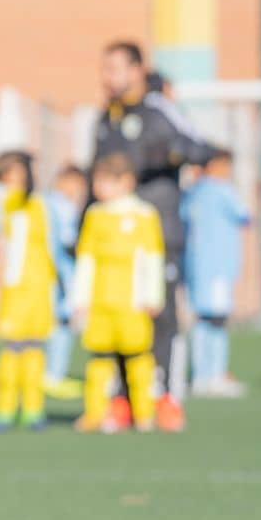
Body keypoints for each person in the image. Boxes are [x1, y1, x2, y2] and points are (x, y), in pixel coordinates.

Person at [92, 41, 214, 431]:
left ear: (136, 70)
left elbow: (199, 148)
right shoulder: (104, 119)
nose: (107, 77)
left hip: (157, 236)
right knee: (114, 320)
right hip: (112, 245)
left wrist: (164, 154)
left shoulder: (160, 110)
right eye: (104, 69)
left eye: (115, 68)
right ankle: (123, 398)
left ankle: (166, 397)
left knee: (161, 317)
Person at [71, 153, 164, 432]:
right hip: (101, 300)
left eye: (104, 181)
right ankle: (94, 413)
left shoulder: (144, 214)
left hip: (132, 301)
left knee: (138, 358)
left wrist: (153, 294)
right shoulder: (94, 215)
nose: (98, 188)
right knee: (99, 359)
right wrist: (81, 298)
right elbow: (86, 259)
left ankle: (144, 413)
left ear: (126, 181)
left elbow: (152, 257)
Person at [0, 150, 56, 431]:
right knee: (13, 348)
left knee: (34, 348)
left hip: (38, 283)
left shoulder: (38, 203)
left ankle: (33, 407)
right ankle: (4, 408)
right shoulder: (12, 202)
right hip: (17, 287)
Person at [182, 149, 251, 397]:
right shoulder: (223, 190)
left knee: (201, 318)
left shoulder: (192, 192)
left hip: (195, 265)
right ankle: (215, 375)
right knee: (217, 320)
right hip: (218, 265)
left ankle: (200, 375)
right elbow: (245, 215)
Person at [41, 166, 87, 400]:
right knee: (61, 322)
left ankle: (46, 374)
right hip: (60, 273)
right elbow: (68, 242)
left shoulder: (42, 203)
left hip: (48, 273)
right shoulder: (60, 206)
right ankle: (52, 375)